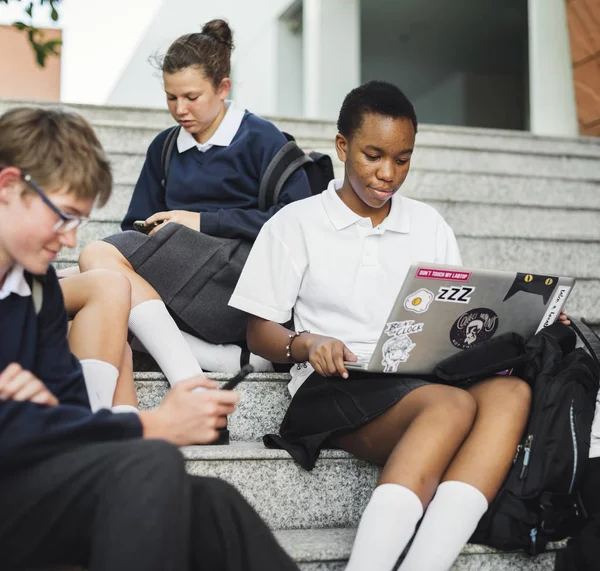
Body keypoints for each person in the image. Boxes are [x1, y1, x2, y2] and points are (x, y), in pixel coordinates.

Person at [229, 80, 535, 571]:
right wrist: (307, 344)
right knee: (452, 405)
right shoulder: (295, 223)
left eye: (403, 159)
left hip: (419, 377)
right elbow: (258, 332)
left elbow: (455, 316)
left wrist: (527, 317)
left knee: (512, 394)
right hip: (334, 383)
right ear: (343, 146)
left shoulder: (428, 224)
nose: (388, 174)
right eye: (373, 155)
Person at [0, 105, 299, 571]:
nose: (71, 240)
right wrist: (149, 424)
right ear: (9, 187)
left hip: (34, 481)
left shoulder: (36, 292)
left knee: (214, 504)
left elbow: (66, 415)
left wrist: (34, 414)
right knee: (150, 459)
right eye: (63, 217)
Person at [78, 19, 311, 383]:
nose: (180, 109)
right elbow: (134, 225)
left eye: (191, 97)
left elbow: (299, 220)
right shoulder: (166, 147)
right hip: (181, 273)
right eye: (171, 97)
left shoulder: (262, 138)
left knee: (93, 262)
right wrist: (158, 231)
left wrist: (200, 221)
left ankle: (189, 375)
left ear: (223, 88)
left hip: (241, 279)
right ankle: (210, 358)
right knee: (90, 283)